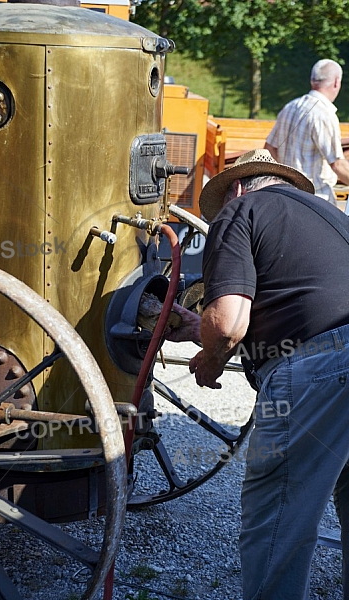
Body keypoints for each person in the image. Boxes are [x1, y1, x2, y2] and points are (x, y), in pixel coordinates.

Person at [166, 148, 349, 600]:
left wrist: (210, 361)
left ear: (238, 187)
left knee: (279, 514)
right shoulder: (332, 215)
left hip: (318, 370)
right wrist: (202, 331)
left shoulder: (240, 210)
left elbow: (227, 323)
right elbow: (296, 298)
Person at [265, 59, 349, 208]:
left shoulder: (290, 107)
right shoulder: (324, 114)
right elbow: (337, 164)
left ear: (312, 81)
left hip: (287, 196)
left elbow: (270, 148)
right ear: (336, 82)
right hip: (315, 201)